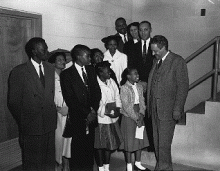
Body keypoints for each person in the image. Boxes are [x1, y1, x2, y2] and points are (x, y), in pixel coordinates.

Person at [8, 37, 57, 170]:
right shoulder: (19, 71)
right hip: (31, 125)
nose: (47, 51)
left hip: (49, 123)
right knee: (33, 163)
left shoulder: (50, 68)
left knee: (48, 160)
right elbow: (13, 102)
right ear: (34, 51)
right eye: (44, 49)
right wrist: (25, 120)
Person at [147, 35, 189, 170]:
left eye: (155, 51)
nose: (153, 54)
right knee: (157, 142)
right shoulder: (156, 61)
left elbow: (183, 87)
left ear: (164, 47)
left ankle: (163, 168)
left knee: (164, 144)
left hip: (168, 109)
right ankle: (162, 166)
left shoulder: (177, 61)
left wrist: (178, 108)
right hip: (154, 109)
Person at [60, 44, 101, 171]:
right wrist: (86, 113)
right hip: (78, 117)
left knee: (89, 148)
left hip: (92, 115)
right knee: (78, 149)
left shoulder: (91, 70)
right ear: (78, 57)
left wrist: (93, 110)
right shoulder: (67, 74)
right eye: (87, 56)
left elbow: (96, 92)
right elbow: (70, 98)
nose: (90, 58)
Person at [119, 68, 150, 171]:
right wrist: (137, 118)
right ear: (128, 76)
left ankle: (138, 163)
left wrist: (141, 114)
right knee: (129, 141)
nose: (137, 75)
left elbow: (142, 101)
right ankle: (129, 165)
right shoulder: (124, 88)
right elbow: (126, 106)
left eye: (137, 73)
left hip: (139, 114)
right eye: (135, 74)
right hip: (129, 116)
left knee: (139, 139)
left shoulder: (139, 86)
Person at [94, 61, 123, 171]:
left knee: (109, 145)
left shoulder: (111, 82)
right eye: (107, 72)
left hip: (112, 118)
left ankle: (107, 167)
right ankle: (101, 168)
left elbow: (117, 96)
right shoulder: (95, 83)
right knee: (99, 146)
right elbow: (94, 101)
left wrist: (118, 109)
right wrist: (104, 110)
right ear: (100, 73)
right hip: (101, 119)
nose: (110, 73)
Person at [132, 20, 155, 152]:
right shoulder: (133, 48)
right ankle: (141, 145)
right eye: (140, 30)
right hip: (138, 85)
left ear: (150, 30)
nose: (142, 32)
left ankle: (152, 145)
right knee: (140, 116)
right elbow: (131, 67)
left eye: (145, 29)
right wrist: (139, 81)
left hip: (153, 86)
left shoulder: (156, 45)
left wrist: (148, 82)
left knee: (151, 117)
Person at [48, 52, 72, 171]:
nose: (63, 62)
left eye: (64, 60)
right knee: (58, 140)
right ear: (52, 63)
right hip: (56, 114)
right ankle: (58, 164)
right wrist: (58, 109)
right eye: (59, 60)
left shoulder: (67, 76)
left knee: (68, 140)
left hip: (68, 112)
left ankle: (66, 165)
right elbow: (48, 97)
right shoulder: (50, 78)